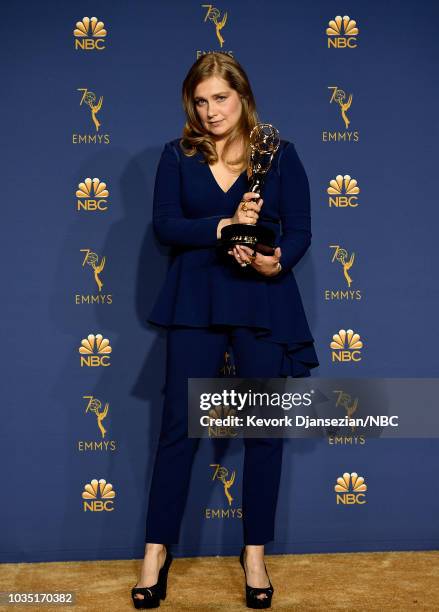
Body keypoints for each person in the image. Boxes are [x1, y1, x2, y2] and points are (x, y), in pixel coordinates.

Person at [131, 52, 319, 610]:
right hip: (195, 302)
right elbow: (166, 224)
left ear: (243, 96)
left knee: (261, 433)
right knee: (177, 431)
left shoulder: (278, 156)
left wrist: (275, 258)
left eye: (221, 98)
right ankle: (155, 553)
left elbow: (302, 229)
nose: (210, 110)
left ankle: (254, 554)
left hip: (262, 300)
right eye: (200, 100)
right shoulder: (176, 155)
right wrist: (222, 224)